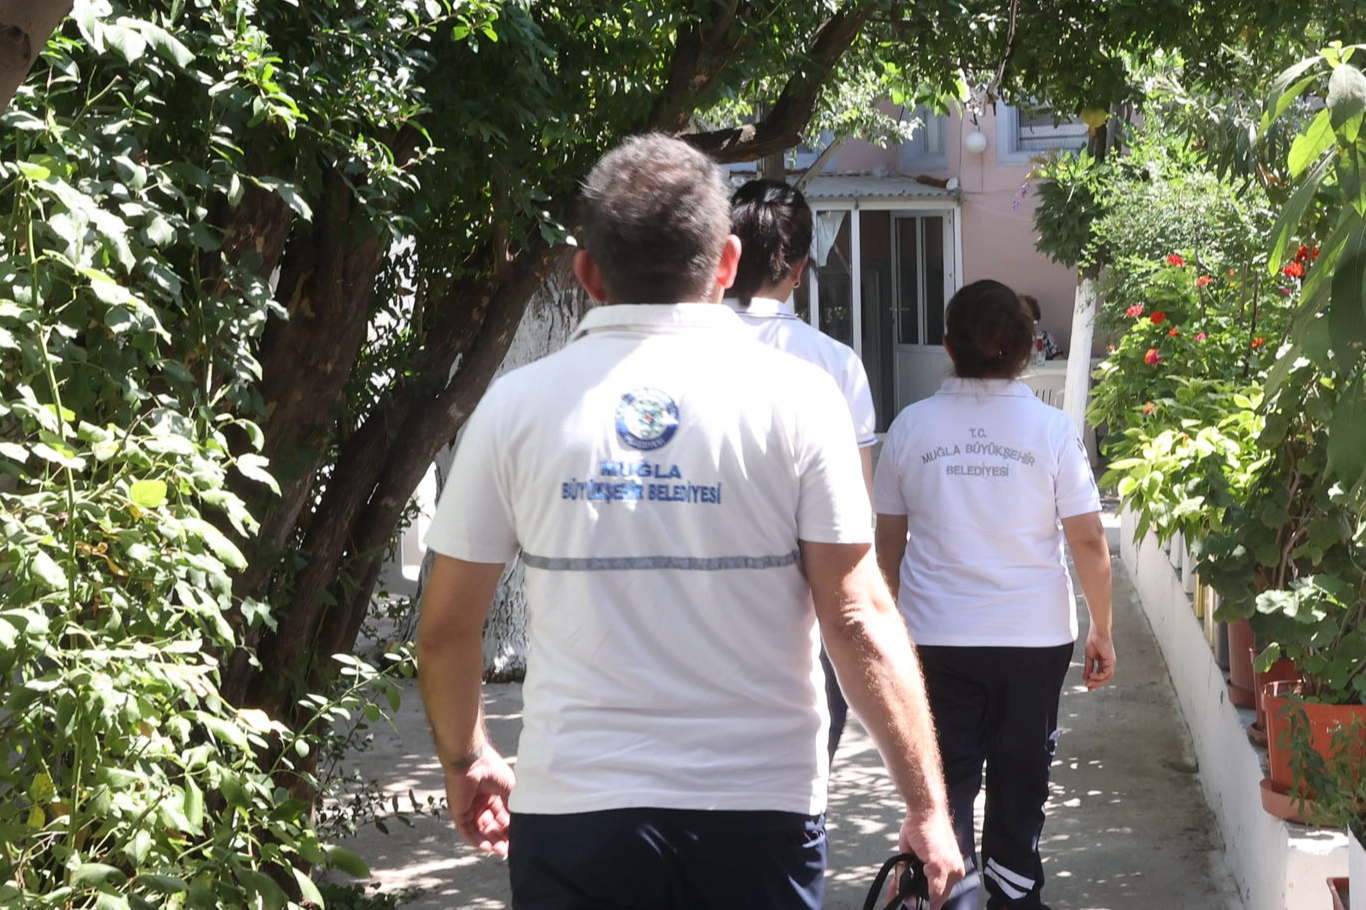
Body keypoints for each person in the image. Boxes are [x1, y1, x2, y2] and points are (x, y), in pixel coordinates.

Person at [416, 132, 964, 910]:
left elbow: (445, 630)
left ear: (587, 273)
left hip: (574, 816)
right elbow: (857, 618)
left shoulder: (516, 407)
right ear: (728, 263)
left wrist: (467, 759)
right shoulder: (802, 400)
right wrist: (928, 807)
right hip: (760, 813)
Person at [872, 279, 1115, 910]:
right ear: (1027, 350)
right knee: (1021, 775)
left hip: (934, 638)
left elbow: (887, 543)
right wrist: (1102, 627)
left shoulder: (910, 428)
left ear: (948, 346)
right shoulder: (1052, 429)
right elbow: (1089, 538)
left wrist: (888, 629)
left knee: (944, 781)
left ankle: (944, 894)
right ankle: (1014, 895)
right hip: (1033, 640)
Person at [726, 177, 877, 764]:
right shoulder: (835, 364)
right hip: (805, 617)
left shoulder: (669, 357)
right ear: (800, 268)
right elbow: (855, 511)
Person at [1021, 294, 1065, 360]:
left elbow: (1060, 361)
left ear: (1034, 316)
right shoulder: (1010, 340)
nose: (1021, 315)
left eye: (1025, 312)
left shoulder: (1045, 338)